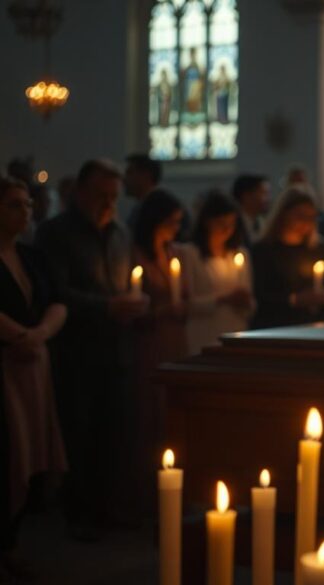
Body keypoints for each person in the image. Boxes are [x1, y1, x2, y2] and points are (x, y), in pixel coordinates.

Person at [34, 160, 146, 541]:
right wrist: (107, 307)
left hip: (117, 349)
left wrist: (133, 302)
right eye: (101, 195)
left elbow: (125, 281)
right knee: (78, 432)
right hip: (77, 351)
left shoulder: (120, 233)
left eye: (114, 196)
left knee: (114, 432)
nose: (108, 203)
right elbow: (55, 291)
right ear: (80, 192)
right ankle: (78, 515)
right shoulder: (55, 233)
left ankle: (109, 508)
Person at [0, 177, 67, 579]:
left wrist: (40, 333)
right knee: (9, 449)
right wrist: (18, 335)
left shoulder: (32, 255)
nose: (24, 212)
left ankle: (12, 538)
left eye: (27, 205)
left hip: (34, 363)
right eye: (13, 205)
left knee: (29, 452)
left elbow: (57, 300)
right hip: (6, 363)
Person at [129, 190, 189, 519]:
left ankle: (173, 492)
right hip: (150, 342)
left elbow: (188, 296)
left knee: (171, 417)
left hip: (175, 340)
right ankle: (144, 496)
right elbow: (136, 305)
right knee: (147, 417)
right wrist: (164, 309)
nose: (176, 229)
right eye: (171, 222)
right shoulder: (137, 255)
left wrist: (182, 306)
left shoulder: (175, 252)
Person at [251, 188, 324, 328]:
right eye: (300, 216)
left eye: (311, 217)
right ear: (283, 214)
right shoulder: (264, 250)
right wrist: (294, 300)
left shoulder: (317, 247)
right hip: (277, 328)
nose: (306, 223)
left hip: (314, 326)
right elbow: (259, 297)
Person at [181, 191, 252, 354]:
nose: (227, 229)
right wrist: (224, 299)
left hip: (236, 333)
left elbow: (250, 303)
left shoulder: (239, 254)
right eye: (221, 223)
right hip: (203, 335)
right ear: (207, 222)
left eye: (231, 224)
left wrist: (246, 302)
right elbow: (188, 304)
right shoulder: (191, 254)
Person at [121, 153, 161, 230]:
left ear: (146, 176)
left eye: (129, 173)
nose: (124, 179)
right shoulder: (140, 207)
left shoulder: (157, 210)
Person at [232, 174, 271, 248]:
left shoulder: (263, 223)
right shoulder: (232, 225)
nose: (268, 199)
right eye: (263, 193)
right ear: (246, 196)